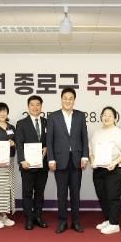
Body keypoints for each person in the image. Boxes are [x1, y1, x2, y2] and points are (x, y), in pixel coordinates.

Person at [46, 87, 89, 234]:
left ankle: (76, 222)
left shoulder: (80, 116)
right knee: (62, 193)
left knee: (75, 193)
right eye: (65, 98)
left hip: (77, 159)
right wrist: (51, 159)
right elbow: (49, 140)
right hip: (59, 160)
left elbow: (84, 138)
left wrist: (85, 156)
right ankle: (62, 221)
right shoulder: (53, 117)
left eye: (71, 98)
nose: (68, 101)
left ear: (74, 100)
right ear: (61, 99)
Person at [89, 106, 121, 235]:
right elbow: (91, 151)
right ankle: (108, 220)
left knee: (113, 197)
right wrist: (92, 161)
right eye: (104, 115)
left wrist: (115, 162)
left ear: (115, 118)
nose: (106, 117)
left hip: (115, 169)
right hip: (99, 169)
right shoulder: (96, 133)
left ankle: (114, 224)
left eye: (110, 115)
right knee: (102, 196)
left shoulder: (118, 133)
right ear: (101, 117)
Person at [15, 95, 49, 230]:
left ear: (41, 106)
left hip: (42, 164)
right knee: (27, 192)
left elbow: (51, 140)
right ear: (28, 107)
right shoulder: (21, 123)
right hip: (27, 164)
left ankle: (38, 217)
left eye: (38, 104)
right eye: (32, 105)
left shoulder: (47, 122)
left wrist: (47, 148)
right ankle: (29, 218)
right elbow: (19, 143)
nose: (35, 107)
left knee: (40, 192)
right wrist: (21, 160)